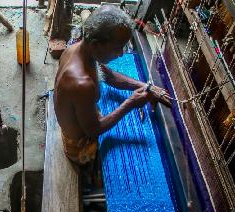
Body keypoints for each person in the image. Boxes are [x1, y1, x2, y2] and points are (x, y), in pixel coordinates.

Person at [54, 5, 171, 166]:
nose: (122, 53)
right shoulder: (82, 84)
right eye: (118, 48)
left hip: (81, 115)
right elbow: (93, 130)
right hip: (79, 145)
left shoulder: (77, 49)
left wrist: (146, 86)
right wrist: (130, 103)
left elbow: (108, 75)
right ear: (95, 45)